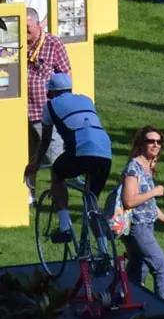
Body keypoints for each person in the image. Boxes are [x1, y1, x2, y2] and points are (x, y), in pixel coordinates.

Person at [25, 72, 112, 242]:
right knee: (92, 202)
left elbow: (46, 140)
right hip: (105, 152)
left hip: (82, 151)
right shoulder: (86, 99)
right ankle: (103, 252)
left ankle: (65, 227)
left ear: (52, 92)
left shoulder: (50, 106)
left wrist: (35, 163)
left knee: (57, 174)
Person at [121, 126, 164, 301]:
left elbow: (150, 207)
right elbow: (129, 201)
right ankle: (163, 314)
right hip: (137, 227)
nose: (155, 145)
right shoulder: (134, 168)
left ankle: (124, 306)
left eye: (159, 142)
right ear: (141, 143)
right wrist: (154, 192)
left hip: (145, 226)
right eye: (151, 141)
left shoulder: (147, 167)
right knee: (162, 269)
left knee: (137, 271)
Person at [24, 8, 71, 165]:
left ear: (38, 24)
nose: (24, 32)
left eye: (27, 27)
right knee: (27, 164)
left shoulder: (53, 44)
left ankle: (58, 189)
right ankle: (28, 190)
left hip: (45, 116)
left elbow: (66, 78)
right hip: (20, 116)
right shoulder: (14, 44)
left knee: (55, 162)